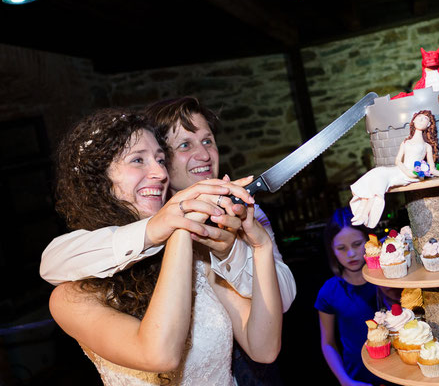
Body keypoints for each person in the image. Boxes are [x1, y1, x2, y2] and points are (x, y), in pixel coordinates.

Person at [40, 97, 295, 384]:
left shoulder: (197, 257)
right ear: (98, 180)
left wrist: (260, 247)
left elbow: (265, 347)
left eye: (161, 160)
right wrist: (178, 226)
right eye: (138, 160)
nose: (161, 173)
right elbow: (160, 355)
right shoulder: (72, 296)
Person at [315, 207, 398, 386]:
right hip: (359, 378)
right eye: (341, 248)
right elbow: (328, 343)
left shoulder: (390, 277)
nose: (351, 254)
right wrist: (345, 380)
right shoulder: (330, 291)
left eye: (357, 244)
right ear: (332, 250)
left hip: (399, 372)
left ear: (369, 241)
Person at [349, 110, 439, 228]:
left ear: (429, 125)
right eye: (419, 117)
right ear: (413, 120)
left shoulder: (426, 146)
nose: (421, 120)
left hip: (413, 176)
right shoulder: (406, 142)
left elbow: (432, 170)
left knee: (380, 179)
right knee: (377, 173)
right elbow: (398, 161)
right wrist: (406, 171)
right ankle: (362, 213)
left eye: (425, 119)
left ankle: (364, 214)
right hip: (401, 171)